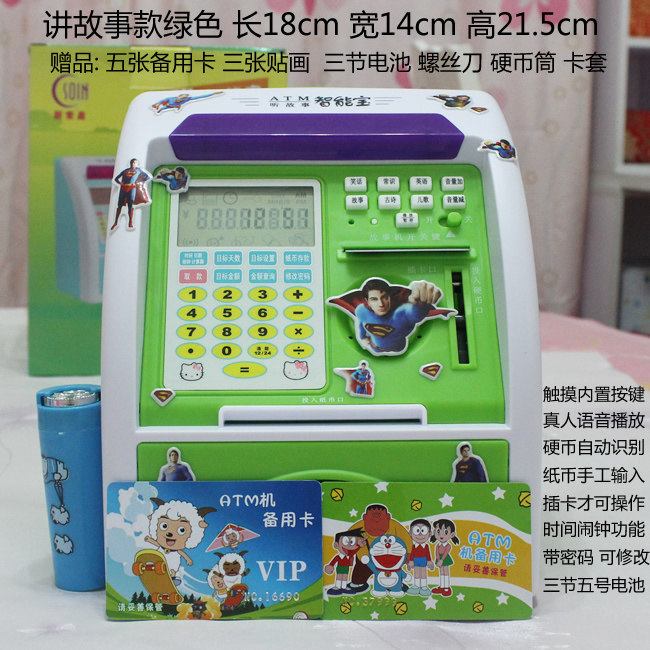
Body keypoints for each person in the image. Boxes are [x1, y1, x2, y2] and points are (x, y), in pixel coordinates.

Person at [355, 278, 442, 355]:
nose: (381, 304)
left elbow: (415, 314)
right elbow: (361, 322)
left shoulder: (401, 313)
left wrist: (419, 303)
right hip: (375, 348)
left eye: (384, 297)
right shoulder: (361, 310)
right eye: (374, 299)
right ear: (367, 301)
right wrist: (362, 337)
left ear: (390, 297)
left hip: (400, 349)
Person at [111, 158, 151, 232]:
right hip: (123, 189)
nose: (133, 164)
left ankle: (130, 222)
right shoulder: (125, 171)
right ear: (130, 163)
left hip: (132, 188)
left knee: (130, 205)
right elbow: (116, 179)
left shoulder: (139, 170)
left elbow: (147, 177)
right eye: (132, 163)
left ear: (137, 164)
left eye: (135, 163)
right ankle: (115, 222)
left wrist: (139, 181)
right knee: (119, 205)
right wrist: (120, 183)